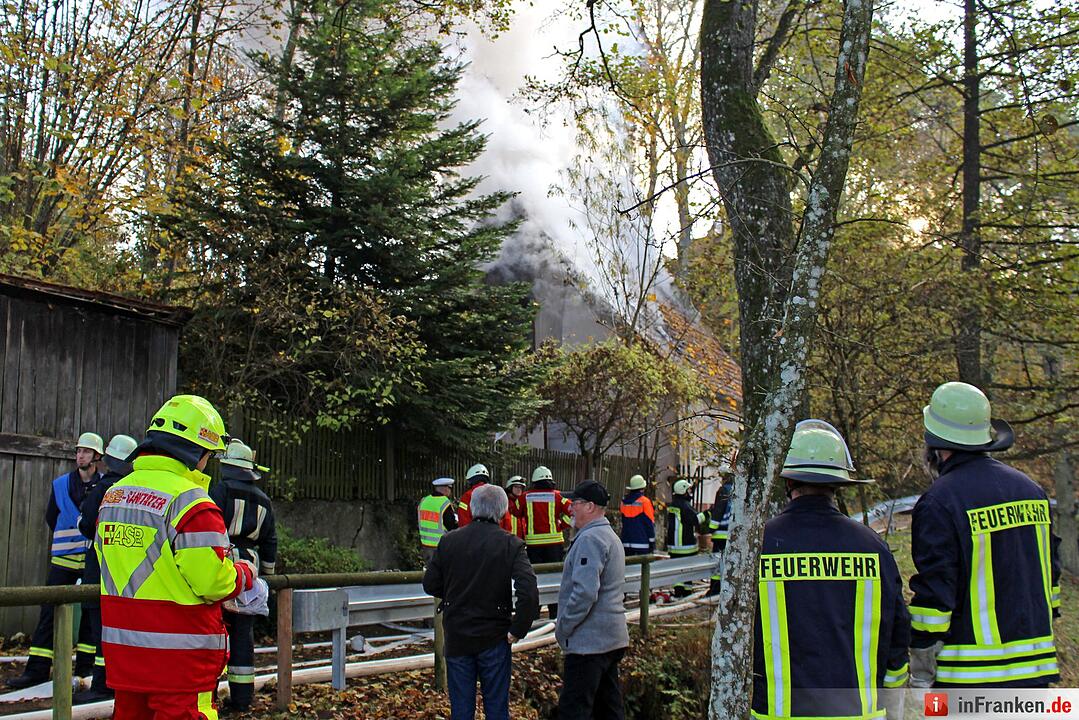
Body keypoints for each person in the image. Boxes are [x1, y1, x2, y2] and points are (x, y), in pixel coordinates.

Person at [96, 394, 256, 720]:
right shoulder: (192, 502)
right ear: (196, 451)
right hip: (180, 660)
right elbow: (212, 582)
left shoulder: (114, 495)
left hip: (124, 654)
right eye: (209, 454)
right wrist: (245, 572)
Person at [752, 420, 910, 720]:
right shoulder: (872, 547)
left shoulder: (759, 545)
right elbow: (898, 632)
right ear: (838, 484)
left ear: (788, 482)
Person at [909, 381, 1061, 688]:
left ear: (936, 444)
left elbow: (934, 601)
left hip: (970, 679)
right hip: (1035, 674)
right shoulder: (1031, 491)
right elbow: (1051, 580)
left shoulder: (940, 501)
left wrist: (919, 664)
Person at [422, 484, 539, 720]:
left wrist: (456, 594)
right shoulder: (511, 544)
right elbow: (528, 591)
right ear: (504, 511)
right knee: (496, 709)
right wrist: (518, 629)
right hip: (495, 635)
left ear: (472, 508)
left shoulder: (449, 541)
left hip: (457, 634)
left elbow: (430, 584)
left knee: (462, 710)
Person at [8, 432, 105, 689]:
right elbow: (52, 517)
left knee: (89, 616)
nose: (79, 456)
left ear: (97, 456)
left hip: (90, 560)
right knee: (48, 614)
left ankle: (85, 670)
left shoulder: (105, 485)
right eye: (78, 451)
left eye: (85, 451)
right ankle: (37, 670)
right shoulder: (61, 485)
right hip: (63, 559)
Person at [210, 438, 278, 712]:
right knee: (242, 635)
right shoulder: (264, 500)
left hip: (224, 567)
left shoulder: (221, 490)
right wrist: (268, 577)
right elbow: (270, 541)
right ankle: (242, 698)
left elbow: (210, 528)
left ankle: (209, 697)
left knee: (215, 635)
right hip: (252, 571)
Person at [72, 433, 139, 704]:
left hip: (99, 566)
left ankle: (102, 684)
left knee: (101, 629)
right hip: (129, 571)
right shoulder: (138, 490)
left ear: (108, 458)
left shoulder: (103, 489)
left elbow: (86, 524)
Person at [555, 480, 629, 720]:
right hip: (611, 639)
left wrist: (564, 626)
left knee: (574, 710)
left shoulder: (590, 539)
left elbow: (585, 592)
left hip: (589, 643)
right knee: (608, 708)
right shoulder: (609, 536)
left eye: (574, 503)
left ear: (589, 506)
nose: (570, 509)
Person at [517, 465, 572, 618]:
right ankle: (555, 613)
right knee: (555, 578)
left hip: (534, 545)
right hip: (554, 543)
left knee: (535, 580)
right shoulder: (558, 496)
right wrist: (562, 524)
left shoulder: (525, 497)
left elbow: (514, 511)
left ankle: (535, 613)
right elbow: (572, 511)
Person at [665, 478, 703, 597]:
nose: (690, 492)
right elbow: (695, 520)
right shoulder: (684, 506)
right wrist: (708, 514)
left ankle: (678, 592)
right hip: (685, 544)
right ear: (683, 491)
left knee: (677, 569)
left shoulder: (673, 504)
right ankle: (686, 592)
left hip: (674, 545)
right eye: (688, 490)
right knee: (688, 569)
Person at [702, 474, 733, 596]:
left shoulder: (723, 490)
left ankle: (715, 590)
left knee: (716, 563)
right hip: (731, 533)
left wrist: (710, 528)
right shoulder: (736, 489)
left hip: (721, 533)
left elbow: (718, 511)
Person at [417, 476, 458, 565]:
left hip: (425, 545)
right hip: (440, 546)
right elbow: (451, 525)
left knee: (430, 572)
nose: (450, 491)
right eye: (450, 488)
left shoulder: (424, 500)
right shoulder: (444, 502)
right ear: (445, 489)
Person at [618, 474, 655, 556]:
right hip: (642, 543)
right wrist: (652, 541)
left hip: (626, 542)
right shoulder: (645, 502)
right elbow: (649, 523)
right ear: (642, 488)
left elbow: (624, 521)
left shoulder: (624, 502)